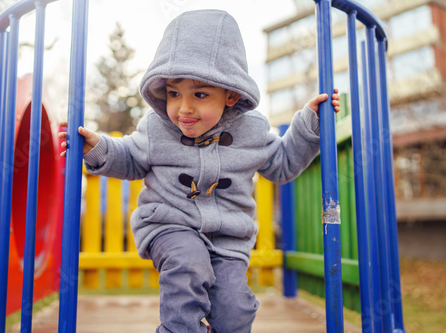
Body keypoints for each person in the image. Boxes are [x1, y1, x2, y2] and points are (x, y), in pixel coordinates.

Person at [59, 9, 340, 333]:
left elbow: (283, 164)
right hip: (168, 225)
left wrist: (309, 125)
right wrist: (97, 146)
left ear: (231, 94)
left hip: (229, 241)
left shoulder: (253, 131)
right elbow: (130, 158)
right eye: (174, 93)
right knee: (188, 267)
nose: (184, 108)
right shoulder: (156, 128)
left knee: (235, 311)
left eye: (200, 94)